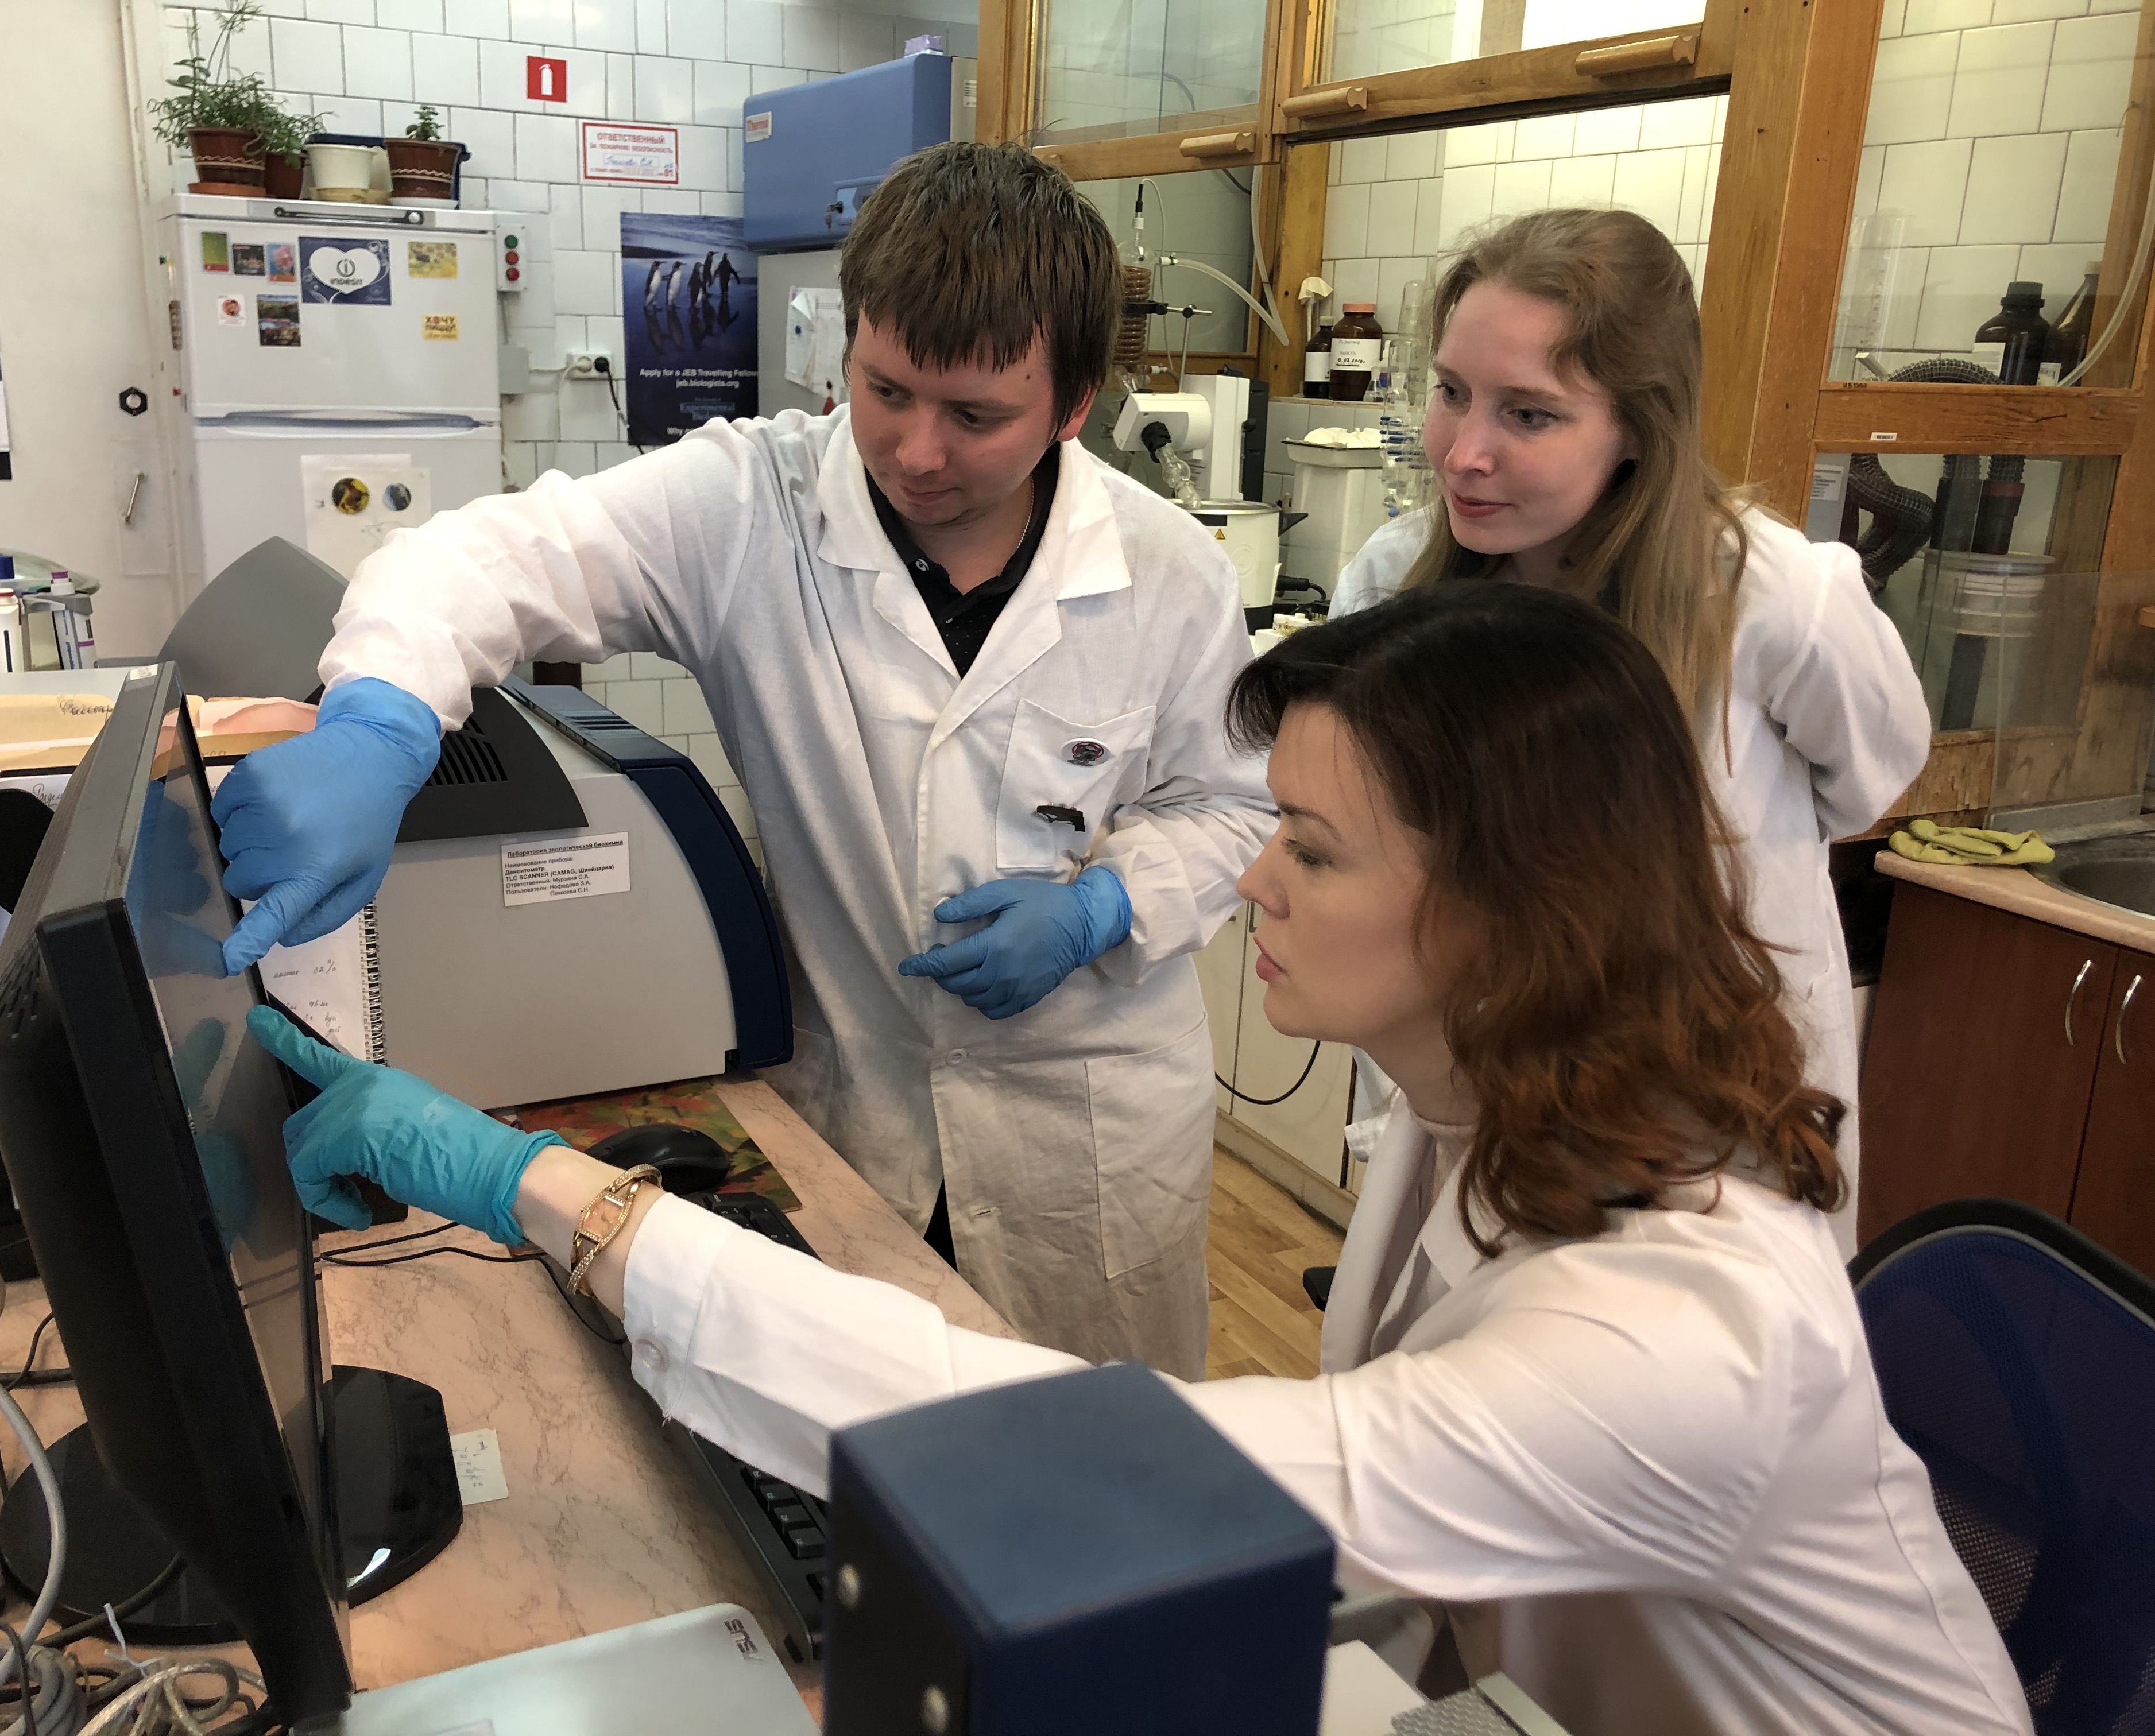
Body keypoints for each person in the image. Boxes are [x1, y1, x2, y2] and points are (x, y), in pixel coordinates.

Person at [247, 584, 2029, 1736]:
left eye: (1311, 848)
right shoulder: (1484, 1118)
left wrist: (549, 1194)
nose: (1252, 879)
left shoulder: (1682, 1337)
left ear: (1510, 911)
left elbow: (1115, 1478)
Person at [210, 141, 1272, 1377]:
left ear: (1075, 404)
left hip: (1087, 1133)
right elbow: (481, 561)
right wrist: (380, 720)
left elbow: (1233, 807)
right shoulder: (749, 506)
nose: (916, 452)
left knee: (1103, 1445)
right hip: (860, 1103)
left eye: (977, 417)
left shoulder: (1171, 575)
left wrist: (1106, 906)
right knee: (857, 1428)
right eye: (885, 390)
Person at [1330, 209, 1929, 1252]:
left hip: (1703, 1115)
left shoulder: (1778, 599)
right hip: (1480, 1082)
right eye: (1451, 392)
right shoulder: (1396, 586)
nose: (1464, 453)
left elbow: (1869, 781)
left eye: (1529, 414)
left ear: (1642, 427)